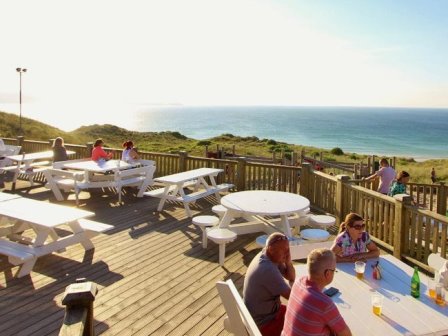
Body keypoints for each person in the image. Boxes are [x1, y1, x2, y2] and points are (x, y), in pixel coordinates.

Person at [282, 248, 351, 336]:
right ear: (328, 274)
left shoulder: (298, 282)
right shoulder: (325, 304)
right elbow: (346, 334)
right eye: (334, 270)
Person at [243, 232, 296, 336]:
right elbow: (292, 297)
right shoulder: (267, 269)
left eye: (288, 250)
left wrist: (288, 262)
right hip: (263, 323)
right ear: (271, 249)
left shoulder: (269, 255)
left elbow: (291, 277)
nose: (287, 253)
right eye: (284, 250)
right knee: (304, 324)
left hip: (265, 314)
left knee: (302, 316)